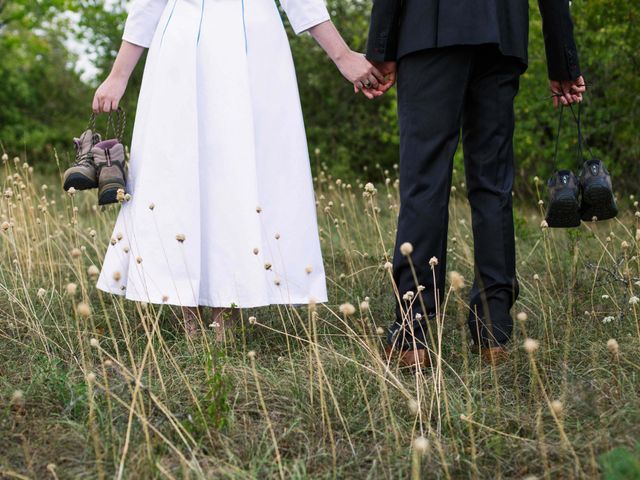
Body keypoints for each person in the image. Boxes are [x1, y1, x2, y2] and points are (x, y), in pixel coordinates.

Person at [91, 0, 392, 339]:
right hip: (180, 47)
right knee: (176, 167)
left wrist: (343, 56)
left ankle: (228, 306)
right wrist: (118, 76)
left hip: (254, 47)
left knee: (244, 170)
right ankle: (186, 308)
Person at [366, 0, 586, 367]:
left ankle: (412, 334)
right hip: (501, 36)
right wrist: (563, 62)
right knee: (494, 185)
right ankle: (493, 332)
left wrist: (381, 47)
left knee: (425, 181)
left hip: (429, 31)